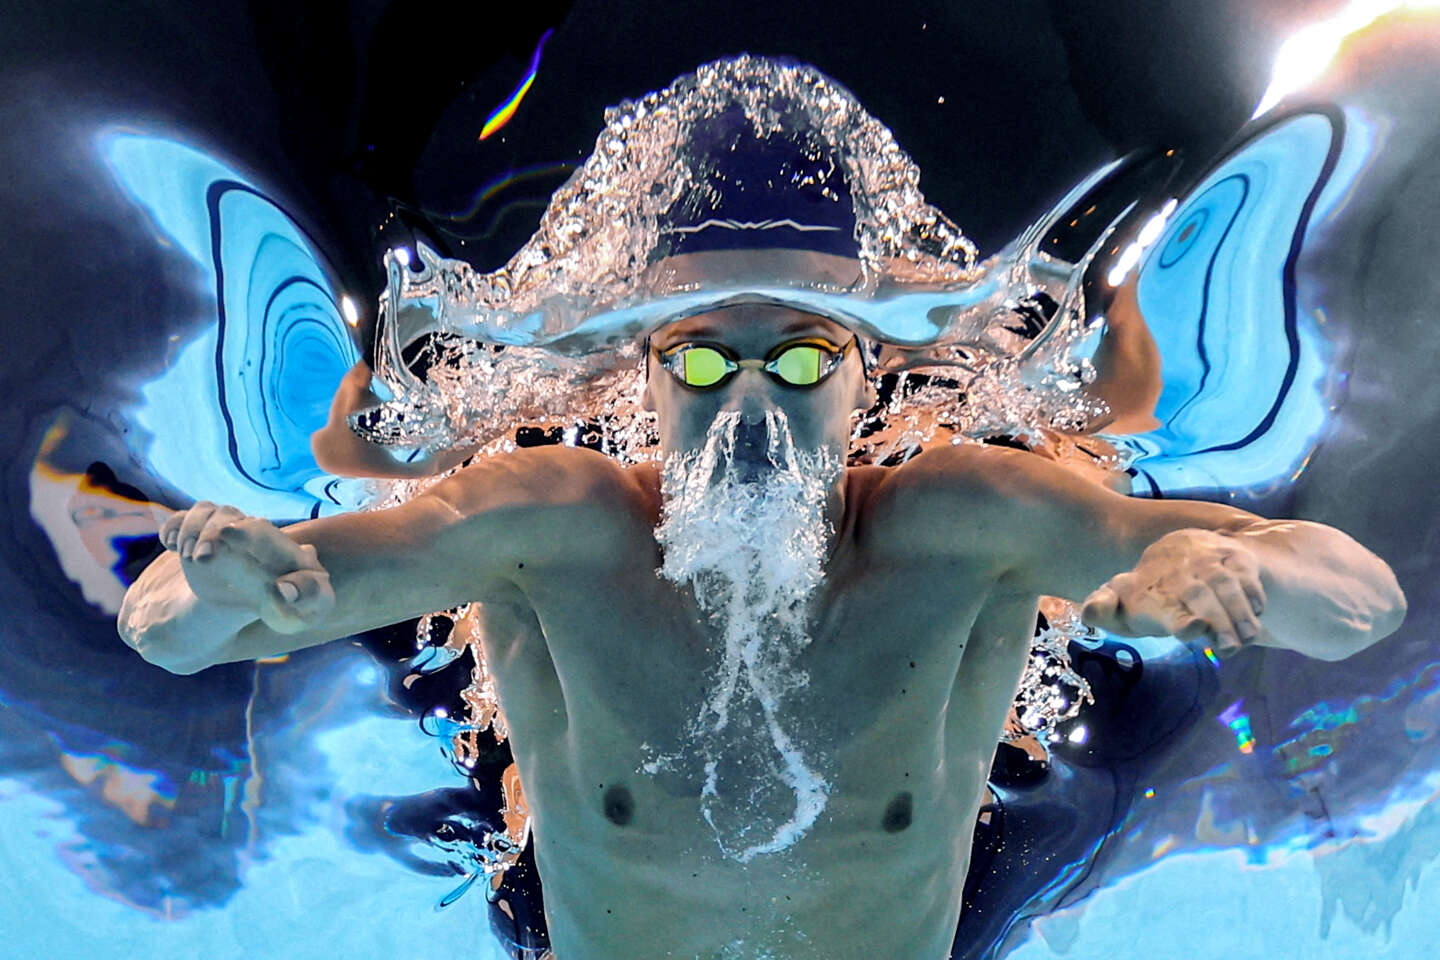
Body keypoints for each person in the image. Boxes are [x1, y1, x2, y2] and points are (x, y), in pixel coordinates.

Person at [117, 64, 1408, 960]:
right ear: (644, 378)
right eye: (697, 359)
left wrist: (1232, 575)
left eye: (797, 360)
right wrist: (217, 593)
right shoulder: (552, 518)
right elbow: (174, 630)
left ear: (863, 379)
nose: (749, 396)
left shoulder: (965, 516)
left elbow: (1357, 609)